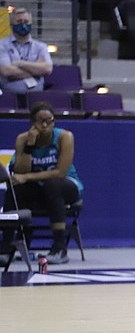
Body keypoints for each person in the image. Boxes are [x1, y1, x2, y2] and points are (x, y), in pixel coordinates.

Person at [2, 101, 83, 264]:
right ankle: (6, 246)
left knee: (53, 185)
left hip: (66, 186)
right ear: (33, 123)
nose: (45, 125)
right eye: (41, 121)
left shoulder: (64, 137)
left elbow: (60, 173)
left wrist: (27, 178)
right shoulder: (22, 139)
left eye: (50, 120)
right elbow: (21, 172)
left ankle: (60, 248)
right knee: (15, 188)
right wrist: (29, 147)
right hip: (39, 189)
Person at [0, 7, 53, 94]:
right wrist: (37, 70)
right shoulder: (1, 45)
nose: (23, 25)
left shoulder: (41, 46)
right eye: (19, 21)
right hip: (10, 96)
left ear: (31, 23)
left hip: (37, 97)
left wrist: (20, 63)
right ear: (11, 24)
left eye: (26, 22)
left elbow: (47, 69)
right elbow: (7, 71)